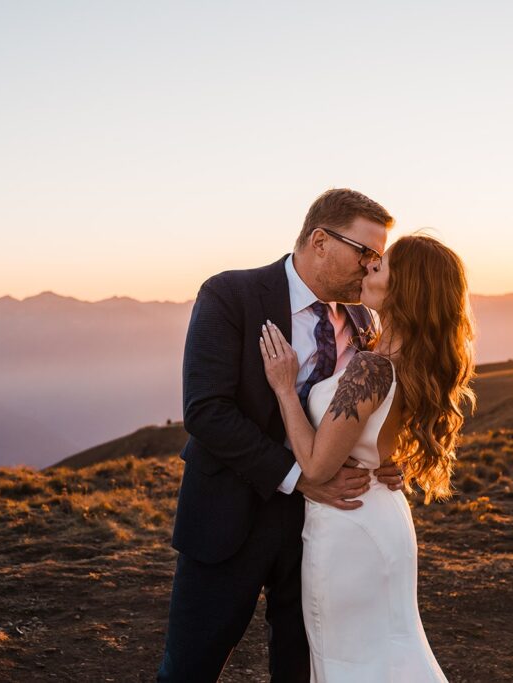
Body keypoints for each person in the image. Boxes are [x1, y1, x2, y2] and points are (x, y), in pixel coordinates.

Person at [157, 189, 406, 682]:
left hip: (320, 527)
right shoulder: (231, 295)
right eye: (367, 252)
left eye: (379, 256)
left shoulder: (364, 320)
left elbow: (361, 412)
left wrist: (381, 458)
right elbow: (206, 411)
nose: (373, 266)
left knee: (300, 669)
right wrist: (298, 476)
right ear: (319, 240)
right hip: (228, 514)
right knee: (190, 667)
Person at [259, 232, 476, 681]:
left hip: (349, 523)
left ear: (406, 287)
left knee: (352, 660)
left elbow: (318, 467)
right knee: (388, 649)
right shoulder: (399, 357)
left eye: (384, 264)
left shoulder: (371, 367)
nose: (370, 266)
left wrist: (284, 389)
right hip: (376, 513)